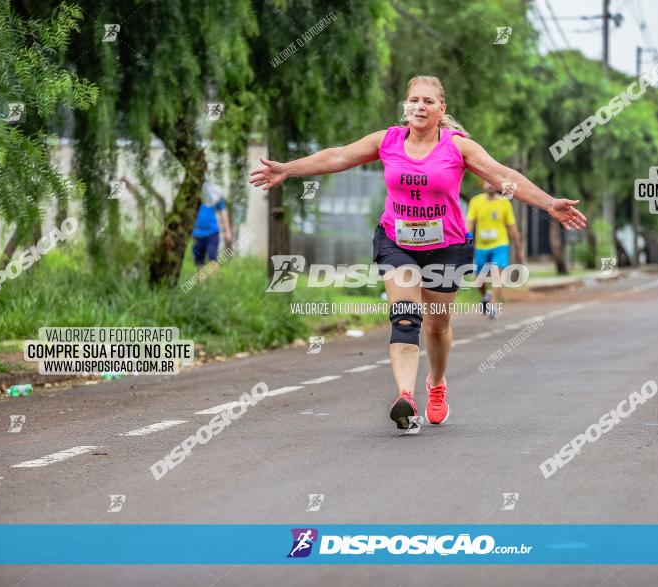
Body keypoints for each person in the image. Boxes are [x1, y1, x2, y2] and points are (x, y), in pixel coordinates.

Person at [249, 75, 586, 430]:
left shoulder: (458, 147)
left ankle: (436, 385)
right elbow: (337, 156)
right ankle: (406, 398)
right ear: (405, 107)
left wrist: (550, 204)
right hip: (397, 243)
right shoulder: (388, 141)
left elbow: (505, 177)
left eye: (428, 101)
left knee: (438, 327)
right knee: (406, 316)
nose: (420, 106)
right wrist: (288, 169)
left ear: (441, 110)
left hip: (448, 247)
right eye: (414, 100)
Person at [466, 181, 525, 319]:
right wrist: (466, 242)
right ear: (482, 185)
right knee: (479, 279)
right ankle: (487, 295)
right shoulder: (476, 201)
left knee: (496, 273)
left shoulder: (504, 203)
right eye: (487, 182)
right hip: (481, 246)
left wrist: (518, 248)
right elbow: (469, 223)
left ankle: (493, 305)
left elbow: (512, 227)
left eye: (492, 182)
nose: (490, 185)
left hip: (500, 244)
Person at [191, 179, 232, 270]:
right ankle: (201, 283)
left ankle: (213, 283)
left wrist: (228, 231)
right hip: (197, 233)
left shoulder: (215, 192)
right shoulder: (192, 191)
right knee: (199, 262)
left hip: (212, 232)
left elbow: (223, 212)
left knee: (213, 259)